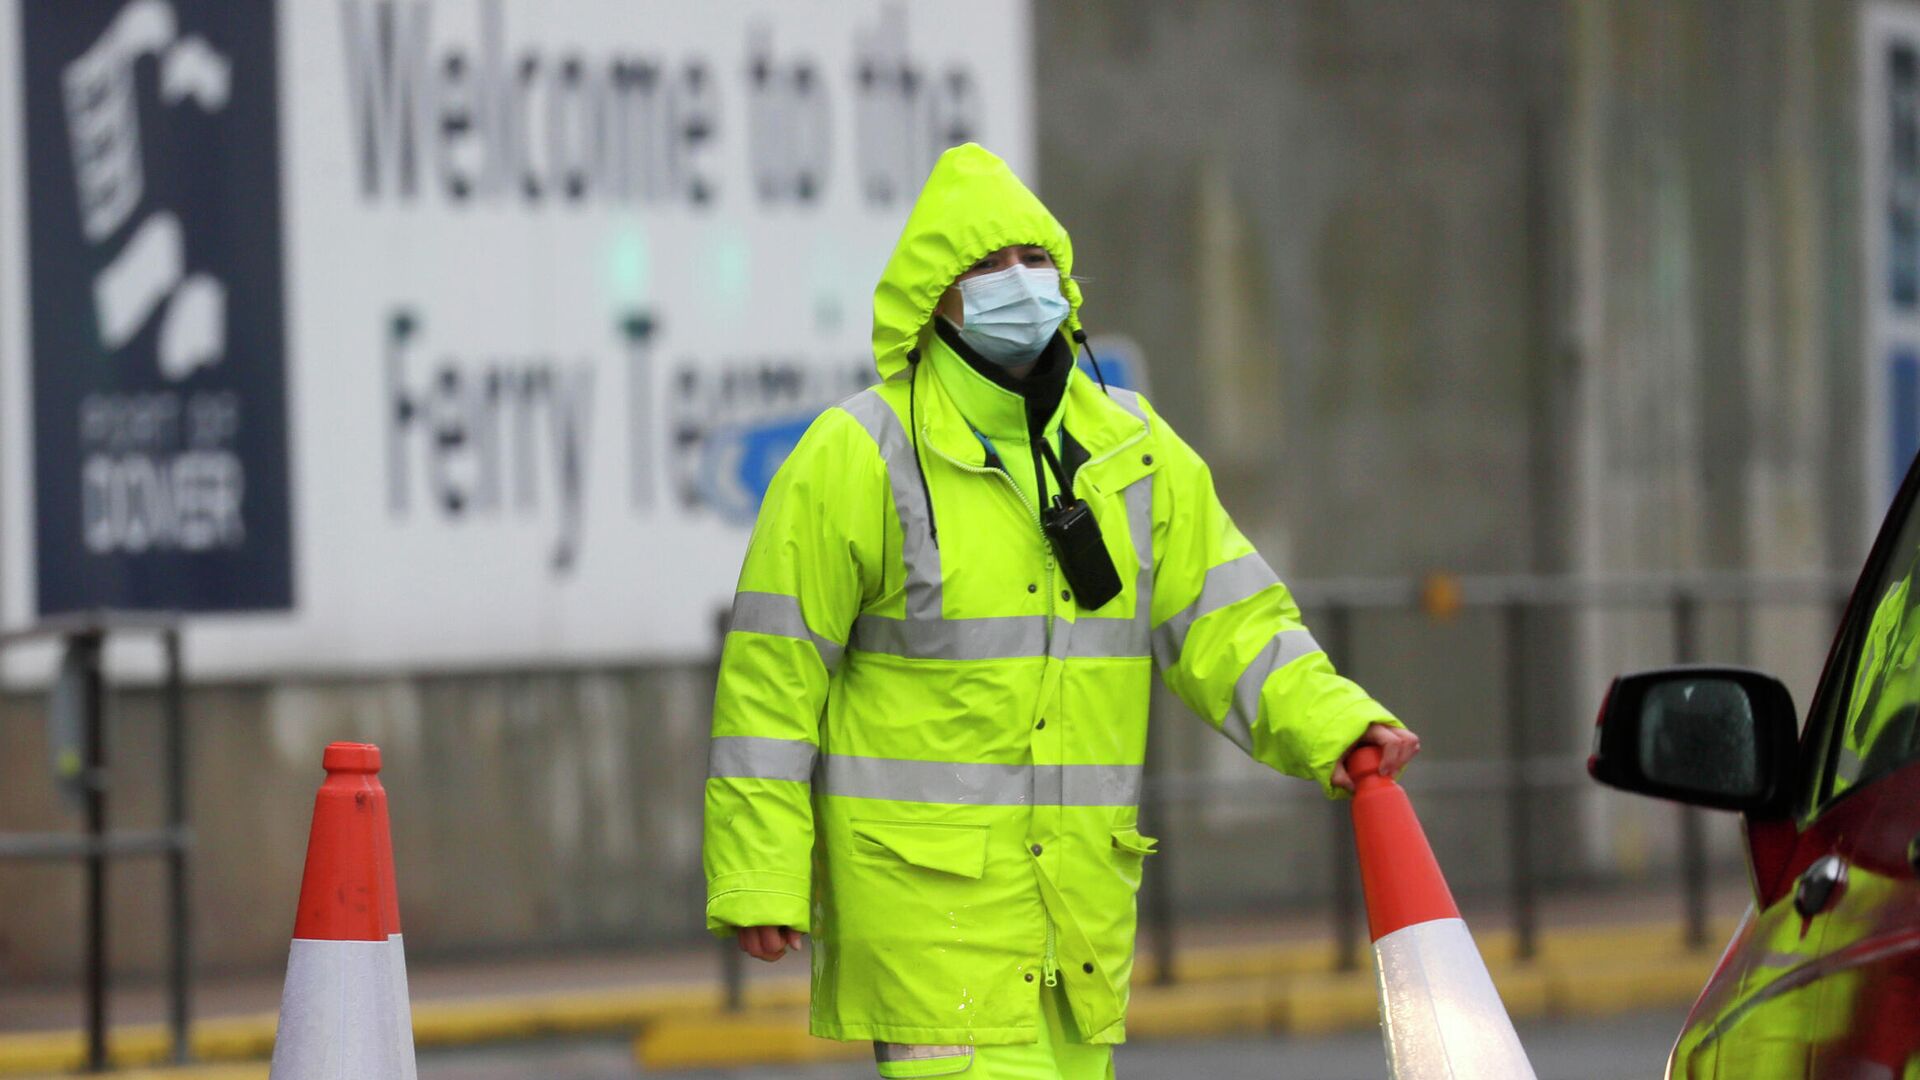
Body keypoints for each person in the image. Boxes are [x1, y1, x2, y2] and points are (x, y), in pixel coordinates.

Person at [702, 143, 1418, 1079]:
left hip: (1077, 925)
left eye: (1037, 261)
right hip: (933, 932)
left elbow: (1228, 620)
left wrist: (1335, 724)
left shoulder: (1131, 450)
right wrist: (760, 871)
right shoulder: (858, 457)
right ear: (934, 297)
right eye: (989, 266)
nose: (1021, 284)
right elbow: (772, 677)